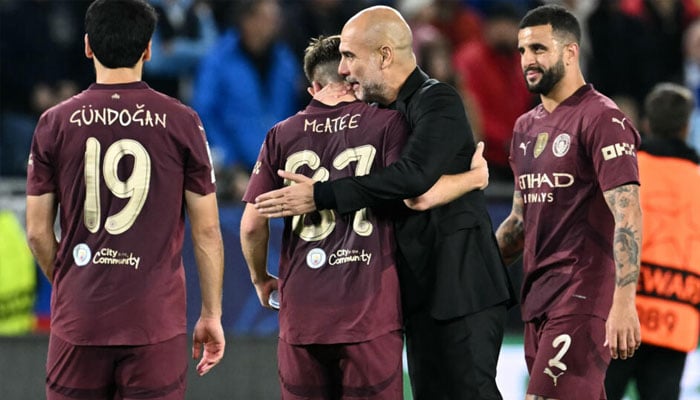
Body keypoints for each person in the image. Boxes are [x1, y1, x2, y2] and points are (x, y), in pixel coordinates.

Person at [254, 6, 515, 399]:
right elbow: (414, 193)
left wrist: (319, 195)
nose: (343, 69)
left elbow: (413, 181)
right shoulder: (379, 116)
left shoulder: (438, 100)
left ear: (384, 55)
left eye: (349, 56)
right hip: (419, 293)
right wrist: (472, 179)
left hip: (461, 288)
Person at [24, 1, 225, 398]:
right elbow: (207, 230)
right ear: (148, 49)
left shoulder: (55, 122)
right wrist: (212, 313)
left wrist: (69, 285)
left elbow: (36, 232)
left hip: (79, 319)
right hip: (154, 321)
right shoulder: (183, 121)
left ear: (87, 46)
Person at [240, 34, 408, 400]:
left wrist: (259, 278)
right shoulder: (388, 124)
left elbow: (252, 223)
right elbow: (408, 194)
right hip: (370, 312)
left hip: (303, 313)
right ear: (354, 76)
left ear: (313, 85)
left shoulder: (280, 135)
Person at [494, 5, 643, 400]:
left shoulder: (602, 119)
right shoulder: (525, 126)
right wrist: (470, 268)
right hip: (536, 299)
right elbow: (519, 223)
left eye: (539, 49)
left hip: (582, 297)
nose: (528, 61)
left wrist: (624, 302)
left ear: (570, 51)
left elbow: (628, 214)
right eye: (523, 51)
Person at [604, 83, 700, 400]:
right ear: (687, 127)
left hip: (619, 313)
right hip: (677, 317)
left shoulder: (624, 172)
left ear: (645, 124)